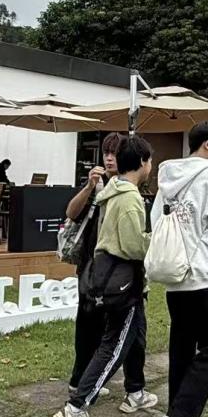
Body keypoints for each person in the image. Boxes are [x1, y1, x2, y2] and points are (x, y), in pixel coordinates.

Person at [54, 136, 155, 417]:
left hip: (108, 274)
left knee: (134, 335)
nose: (151, 166)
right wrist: (158, 240)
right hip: (120, 279)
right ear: (141, 162)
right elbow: (133, 245)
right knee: (113, 345)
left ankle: (135, 391)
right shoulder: (127, 198)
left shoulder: (112, 192)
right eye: (150, 160)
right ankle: (77, 404)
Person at [150, 121, 208, 417]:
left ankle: (180, 413)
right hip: (206, 275)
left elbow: (156, 220)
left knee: (182, 347)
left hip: (176, 277)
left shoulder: (168, 177)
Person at [64, 135, 127, 400]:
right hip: (91, 267)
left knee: (104, 328)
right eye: (106, 153)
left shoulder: (126, 185)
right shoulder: (97, 183)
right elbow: (71, 213)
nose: (109, 158)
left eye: (114, 153)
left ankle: (88, 379)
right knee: (87, 326)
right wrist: (90, 186)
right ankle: (79, 380)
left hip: (112, 269)